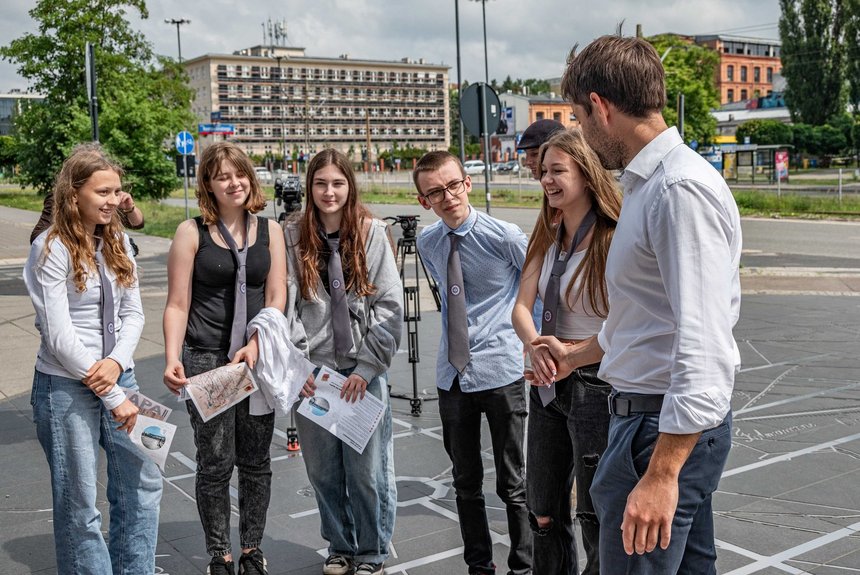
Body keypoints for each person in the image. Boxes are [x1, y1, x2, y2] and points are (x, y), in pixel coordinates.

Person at [534, 35, 742, 574]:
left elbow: (704, 342)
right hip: (653, 424)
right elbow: (649, 318)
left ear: (600, 107)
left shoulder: (677, 191)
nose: (580, 130)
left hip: (658, 431)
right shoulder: (652, 186)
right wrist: (575, 355)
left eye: (578, 117)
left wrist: (663, 473)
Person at [23, 143, 162, 574]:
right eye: (102, 192)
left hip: (122, 377)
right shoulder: (51, 248)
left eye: (116, 191)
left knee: (143, 482)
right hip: (66, 386)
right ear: (73, 194)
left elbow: (134, 312)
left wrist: (118, 364)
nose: (113, 201)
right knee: (79, 503)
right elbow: (59, 335)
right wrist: (112, 392)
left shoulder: (118, 240)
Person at [162, 141, 287, 575]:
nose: (233, 183)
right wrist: (171, 356)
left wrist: (257, 343)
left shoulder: (270, 231)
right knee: (215, 463)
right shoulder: (191, 232)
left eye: (239, 174)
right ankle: (220, 553)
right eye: (222, 177)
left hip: (254, 360)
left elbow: (277, 296)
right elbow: (178, 303)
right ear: (208, 186)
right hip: (207, 362)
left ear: (250, 179)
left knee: (256, 461)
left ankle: (252, 549)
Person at [414, 151, 532, 575]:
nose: (447, 197)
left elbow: (536, 289)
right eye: (434, 192)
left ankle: (523, 567)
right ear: (423, 200)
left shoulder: (505, 236)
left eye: (452, 185)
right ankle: (478, 566)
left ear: (466, 182)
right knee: (465, 483)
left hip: (501, 370)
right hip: (452, 376)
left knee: (514, 484)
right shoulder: (428, 243)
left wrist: (531, 342)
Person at [285, 149, 402, 575]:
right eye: (320, 184)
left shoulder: (370, 233)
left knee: (368, 473)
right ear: (309, 188)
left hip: (361, 374)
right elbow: (286, 307)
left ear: (349, 186)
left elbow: (389, 307)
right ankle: (340, 545)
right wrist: (302, 366)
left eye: (337, 183)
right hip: (315, 375)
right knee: (323, 471)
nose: (329, 192)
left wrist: (368, 368)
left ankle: (371, 551)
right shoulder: (292, 236)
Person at [511, 128, 621, 575]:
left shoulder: (612, 236)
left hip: (595, 380)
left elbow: (623, 321)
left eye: (558, 171)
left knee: (593, 511)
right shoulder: (547, 230)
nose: (547, 180)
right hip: (547, 382)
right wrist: (534, 345)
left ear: (586, 174)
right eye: (543, 172)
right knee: (541, 507)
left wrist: (571, 353)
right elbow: (521, 306)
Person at [31, 184, 145, 243]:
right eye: (103, 192)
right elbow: (38, 238)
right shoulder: (58, 198)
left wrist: (130, 208)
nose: (113, 201)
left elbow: (138, 224)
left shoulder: (121, 241)